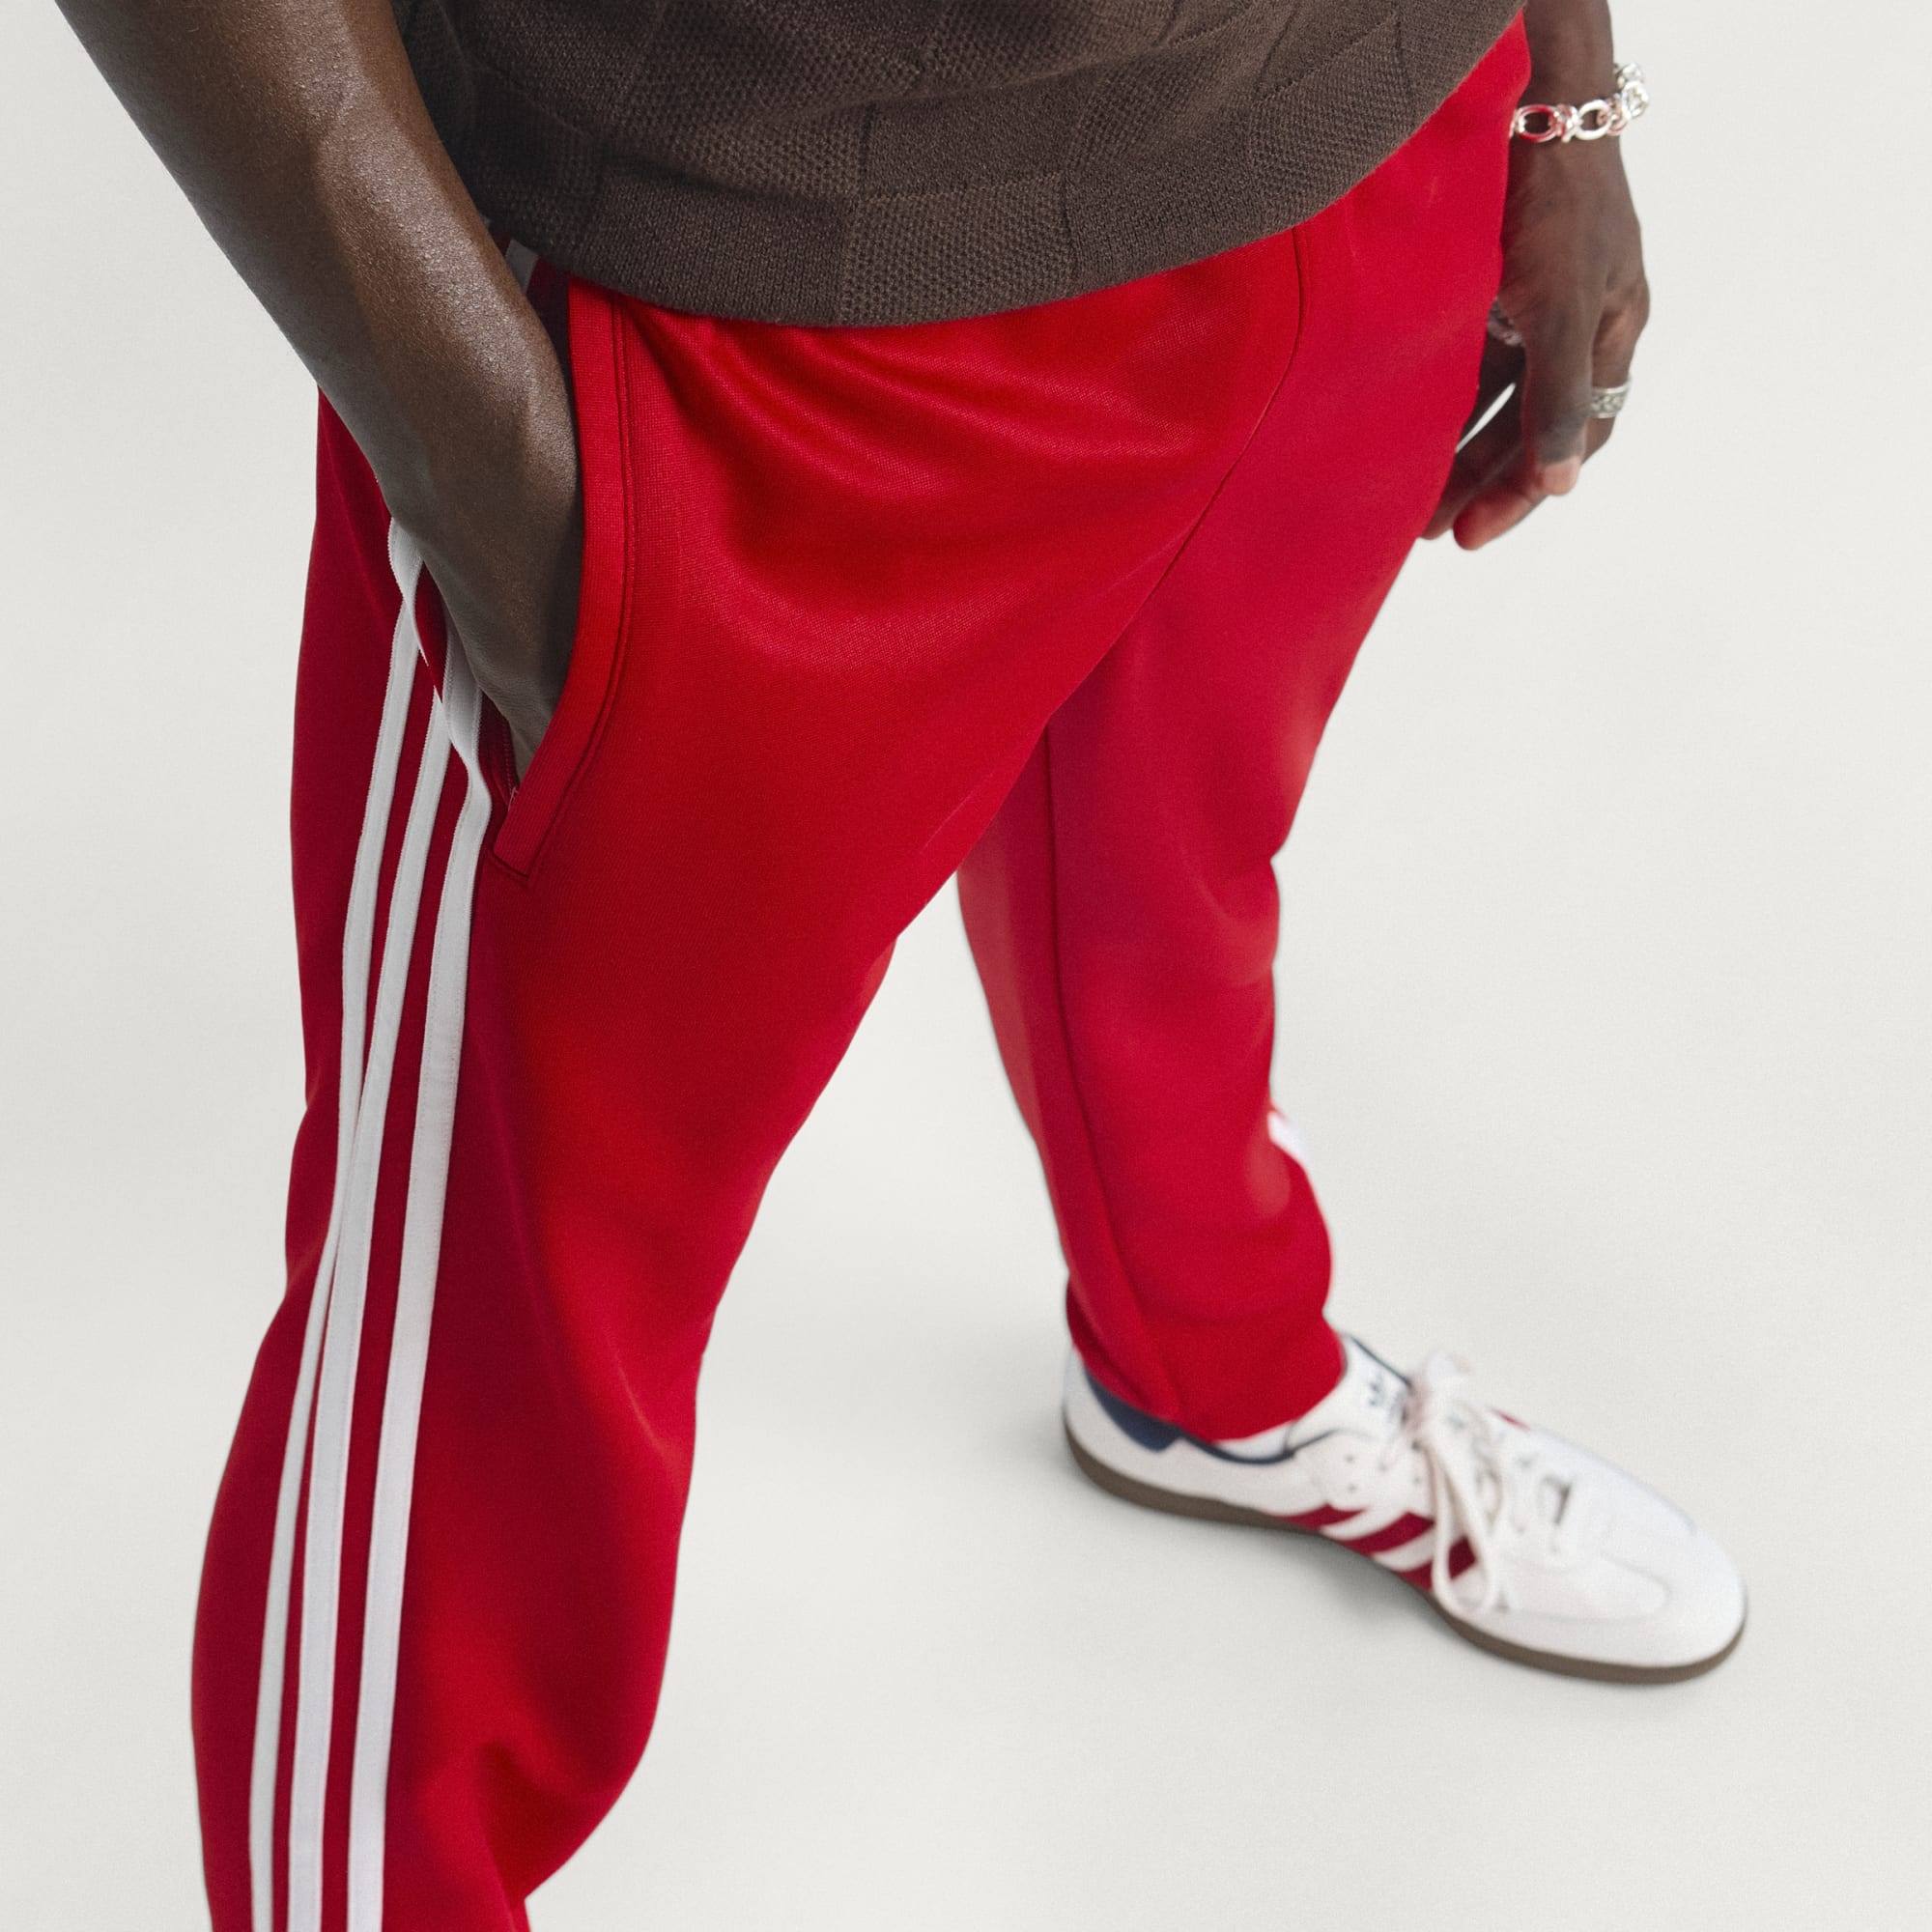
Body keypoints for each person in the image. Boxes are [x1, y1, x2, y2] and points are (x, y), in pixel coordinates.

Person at [54, 0, 1745, 1924]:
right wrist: (486, 464)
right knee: (498, 1364)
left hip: (1379, 123)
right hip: (774, 286)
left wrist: (1562, 81)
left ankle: (1206, 1371)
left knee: (1173, 878)